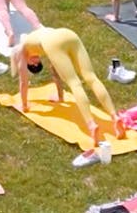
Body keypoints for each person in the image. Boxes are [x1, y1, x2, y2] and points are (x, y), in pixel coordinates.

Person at [14, 26, 128, 157]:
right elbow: (55, 73)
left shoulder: (22, 50)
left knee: (75, 83)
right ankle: (115, 116)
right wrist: (60, 96)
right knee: (91, 77)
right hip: (68, 34)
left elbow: (23, 82)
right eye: (37, 63)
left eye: (34, 63)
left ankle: (91, 125)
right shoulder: (39, 39)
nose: (35, 62)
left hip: (56, 40)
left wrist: (24, 105)